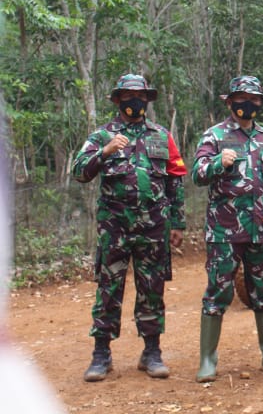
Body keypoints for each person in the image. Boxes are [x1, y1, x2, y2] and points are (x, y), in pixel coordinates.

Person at [72, 74, 187, 382]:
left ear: (147, 99)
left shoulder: (161, 135)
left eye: (140, 95)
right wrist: (105, 151)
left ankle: (152, 352)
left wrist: (177, 222)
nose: (135, 101)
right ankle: (101, 355)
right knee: (109, 290)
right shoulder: (102, 135)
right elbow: (79, 172)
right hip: (115, 227)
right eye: (128, 95)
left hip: (154, 228)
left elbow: (175, 179)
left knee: (152, 290)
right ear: (118, 99)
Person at [192, 75, 263, 382]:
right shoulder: (214, 136)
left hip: (262, 231)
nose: (246, 104)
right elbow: (197, 174)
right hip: (224, 232)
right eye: (240, 99)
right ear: (229, 102)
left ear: (260, 103)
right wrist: (217, 164)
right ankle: (208, 361)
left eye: (253, 99)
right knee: (217, 294)